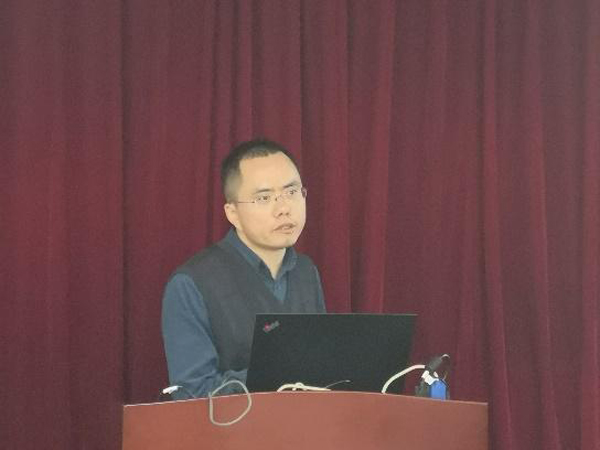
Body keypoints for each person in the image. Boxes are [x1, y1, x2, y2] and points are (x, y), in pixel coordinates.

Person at [161, 138, 326, 398]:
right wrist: (281, 374)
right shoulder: (191, 284)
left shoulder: (306, 272)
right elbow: (191, 393)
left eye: (292, 192)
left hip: (306, 422)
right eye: (264, 198)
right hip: (232, 425)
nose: (284, 208)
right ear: (233, 213)